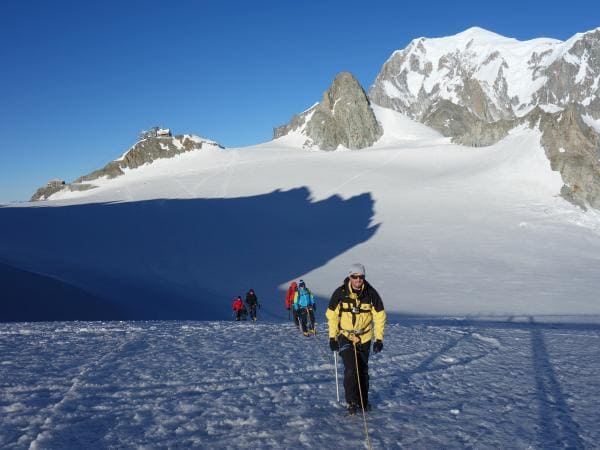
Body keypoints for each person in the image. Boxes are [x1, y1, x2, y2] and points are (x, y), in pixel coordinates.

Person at [326, 263, 386, 415]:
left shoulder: (371, 294)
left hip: (364, 337)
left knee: (363, 370)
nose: (358, 280)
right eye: (355, 277)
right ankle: (351, 402)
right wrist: (332, 337)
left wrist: (379, 339)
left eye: (361, 277)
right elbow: (332, 316)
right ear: (350, 277)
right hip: (345, 336)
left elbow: (380, 317)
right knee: (351, 369)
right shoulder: (340, 293)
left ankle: (363, 401)